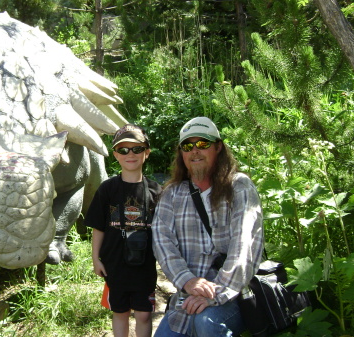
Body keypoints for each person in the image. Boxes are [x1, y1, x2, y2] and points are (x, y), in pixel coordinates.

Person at [152, 116, 264, 337]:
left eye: (203, 144)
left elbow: (244, 249)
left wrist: (215, 293)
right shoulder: (172, 194)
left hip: (232, 294)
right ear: (181, 153)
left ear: (218, 147)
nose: (195, 151)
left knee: (206, 323)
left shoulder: (239, 187)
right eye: (188, 145)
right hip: (186, 300)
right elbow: (161, 240)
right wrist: (188, 280)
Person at [84, 124, 162, 337]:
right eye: (124, 149)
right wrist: (95, 258)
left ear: (146, 153)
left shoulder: (157, 191)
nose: (130, 154)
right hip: (114, 265)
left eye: (137, 149)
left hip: (145, 264)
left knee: (144, 314)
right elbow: (99, 227)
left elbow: (165, 232)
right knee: (120, 312)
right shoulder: (107, 189)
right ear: (116, 155)